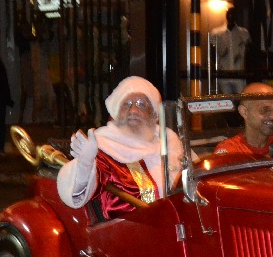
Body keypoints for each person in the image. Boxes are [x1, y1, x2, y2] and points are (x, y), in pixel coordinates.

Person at [56, 76, 183, 220]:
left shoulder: (170, 142)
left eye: (141, 104)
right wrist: (85, 163)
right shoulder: (103, 146)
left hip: (175, 228)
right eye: (126, 103)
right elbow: (76, 193)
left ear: (154, 114)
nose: (133, 110)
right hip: (126, 232)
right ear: (116, 112)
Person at [209, 9, 251, 93]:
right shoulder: (216, 33)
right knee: (227, 101)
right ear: (226, 16)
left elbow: (248, 53)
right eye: (229, 14)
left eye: (233, 15)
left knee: (241, 99)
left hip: (239, 73)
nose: (230, 16)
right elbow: (212, 52)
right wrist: (213, 69)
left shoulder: (244, 33)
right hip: (223, 73)